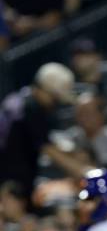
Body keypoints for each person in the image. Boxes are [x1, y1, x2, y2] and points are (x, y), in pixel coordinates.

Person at [0, 62, 86, 201]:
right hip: (10, 183)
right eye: (55, 99)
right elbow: (48, 149)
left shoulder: (19, 98)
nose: (55, 105)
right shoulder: (31, 108)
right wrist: (83, 171)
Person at [67, 92, 107, 163]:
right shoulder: (71, 137)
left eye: (88, 113)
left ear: (102, 115)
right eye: (80, 113)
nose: (83, 118)